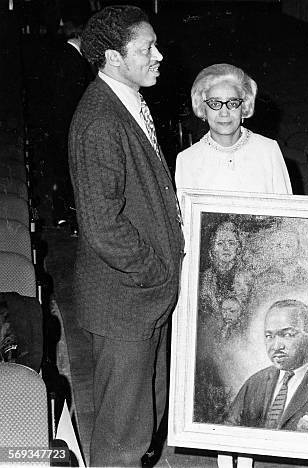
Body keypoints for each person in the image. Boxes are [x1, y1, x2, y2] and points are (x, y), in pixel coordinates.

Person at [68, 6, 184, 466]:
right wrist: (155, 272)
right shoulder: (101, 119)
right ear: (114, 58)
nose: (159, 56)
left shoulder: (126, 103)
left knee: (141, 424)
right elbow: (102, 224)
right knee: (122, 440)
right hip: (127, 301)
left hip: (142, 299)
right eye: (147, 49)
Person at [225, 299, 308, 435]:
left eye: (288, 335)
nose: (276, 346)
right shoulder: (254, 384)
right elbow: (226, 432)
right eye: (269, 336)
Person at [175, 63, 292, 194]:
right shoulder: (187, 160)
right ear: (203, 109)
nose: (224, 113)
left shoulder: (268, 150)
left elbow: (286, 211)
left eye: (233, 103)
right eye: (214, 103)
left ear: (244, 107)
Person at [49, 2, 93, 231]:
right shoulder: (72, 60)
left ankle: (65, 216)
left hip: (62, 127)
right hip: (67, 128)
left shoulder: (65, 56)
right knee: (70, 176)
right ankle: (68, 218)